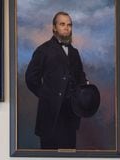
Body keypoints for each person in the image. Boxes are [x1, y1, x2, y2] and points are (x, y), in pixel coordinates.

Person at [25, 12, 88, 149]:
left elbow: (80, 77)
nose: (66, 28)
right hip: (50, 116)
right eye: (62, 24)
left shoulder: (75, 53)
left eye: (69, 25)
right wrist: (46, 96)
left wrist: (85, 87)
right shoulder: (43, 50)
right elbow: (31, 78)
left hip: (71, 116)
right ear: (54, 28)